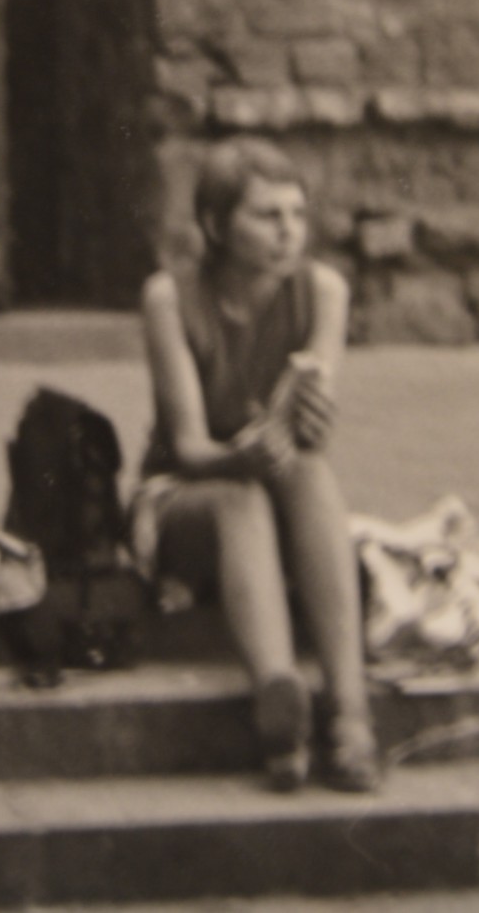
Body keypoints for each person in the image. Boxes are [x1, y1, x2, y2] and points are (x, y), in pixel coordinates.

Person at [132, 138, 381, 793]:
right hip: (189, 496)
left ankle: (349, 713)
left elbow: (309, 425)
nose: (288, 232)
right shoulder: (169, 298)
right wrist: (238, 456)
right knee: (239, 494)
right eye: (267, 216)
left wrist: (309, 419)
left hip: (278, 481)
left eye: (297, 215)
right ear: (216, 227)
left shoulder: (323, 290)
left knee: (310, 471)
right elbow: (188, 446)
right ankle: (279, 699)